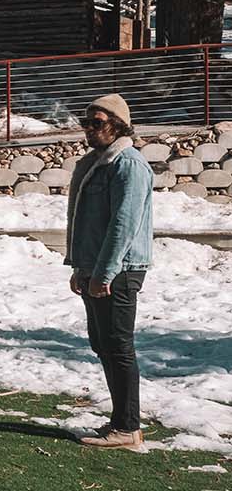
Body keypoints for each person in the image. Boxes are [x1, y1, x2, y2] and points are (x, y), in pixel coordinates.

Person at [65, 93, 153, 450]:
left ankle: (128, 429)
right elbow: (86, 223)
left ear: (117, 124)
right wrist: (81, 268)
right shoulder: (97, 162)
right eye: (86, 123)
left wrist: (104, 273)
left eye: (97, 123)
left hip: (119, 271)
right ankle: (121, 421)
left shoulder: (128, 164)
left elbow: (124, 225)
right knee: (103, 344)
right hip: (97, 268)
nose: (89, 129)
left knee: (118, 347)